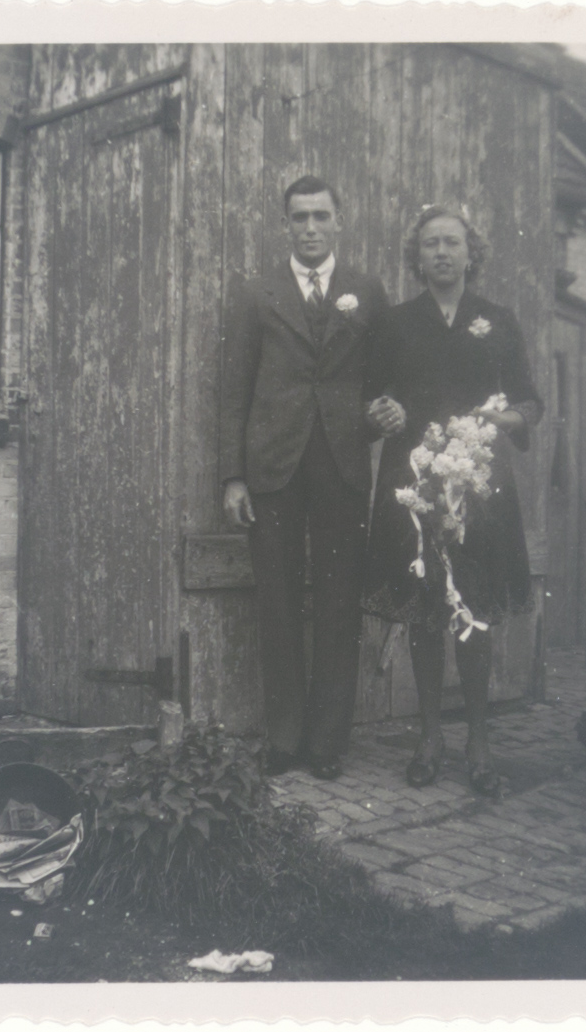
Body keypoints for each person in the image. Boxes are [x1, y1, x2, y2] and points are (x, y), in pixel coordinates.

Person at [362, 204, 543, 796]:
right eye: (431, 244)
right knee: (425, 610)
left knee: (476, 610)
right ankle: (430, 738)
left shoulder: (497, 320)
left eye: (452, 243)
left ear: (471, 253)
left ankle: (479, 742)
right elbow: (371, 399)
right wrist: (382, 411)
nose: (442, 252)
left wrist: (507, 418)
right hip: (416, 483)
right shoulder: (395, 323)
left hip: (479, 484)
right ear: (417, 257)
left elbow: (529, 401)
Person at [220, 175, 395, 780]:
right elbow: (233, 389)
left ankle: (326, 742)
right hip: (274, 464)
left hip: (342, 461)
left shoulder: (366, 292)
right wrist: (233, 476)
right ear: (285, 225)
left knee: (340, 601)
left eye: (322, 216)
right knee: (278, 600)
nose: (311, 228)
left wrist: (377, 417)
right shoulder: (256, 293)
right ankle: (285, 737)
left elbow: (382, 380)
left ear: (339, 220)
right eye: (300, 217)